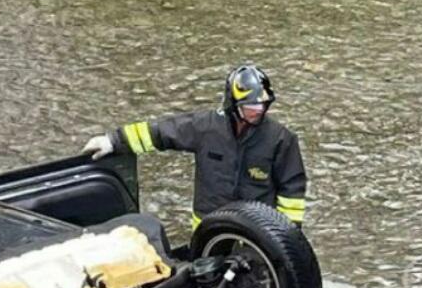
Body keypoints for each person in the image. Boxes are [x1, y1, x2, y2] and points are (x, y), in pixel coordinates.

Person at [82, 64, 307, 229]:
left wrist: (287, 237)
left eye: (262, 106)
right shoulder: (205, 128)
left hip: (258, 231)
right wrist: (114, 141)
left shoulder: (280, 139)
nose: (258, 111)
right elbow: (161, 132)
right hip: (210, 228)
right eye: (250, 106)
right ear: (233, 104)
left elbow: (292, 193)